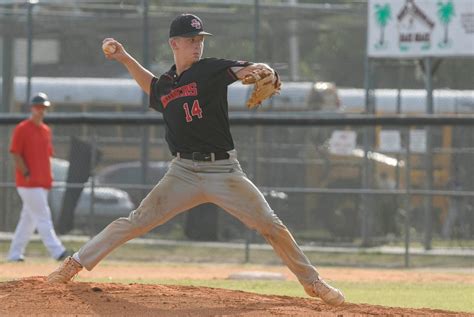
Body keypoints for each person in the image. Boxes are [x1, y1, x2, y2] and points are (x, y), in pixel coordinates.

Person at [47, 13, 345, 306]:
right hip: (183, 173)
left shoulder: (210, 70)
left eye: (200, 39)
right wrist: (124, 57)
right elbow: (151, 87)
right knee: (135, 221)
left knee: (270, 224)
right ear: (174, 44)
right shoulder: (166, 84)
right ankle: (73, 264)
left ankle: (312, 282)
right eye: (191, 40)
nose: (198, 45)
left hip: (224, 170)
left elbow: (244, 69)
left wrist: (260, 70)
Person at [7, 93, 70, 262]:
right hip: (28, 183)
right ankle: (58, 252)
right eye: (38, 107)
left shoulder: (45, 130)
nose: (40, 110)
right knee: (43, 216)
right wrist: (26, 173)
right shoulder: (22, 128)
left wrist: (49, 177)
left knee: (28, 221)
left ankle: (14, 254)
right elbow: (15, 154)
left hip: (42, 182)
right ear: (32, 108)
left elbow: (47, 156)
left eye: (43, 107)